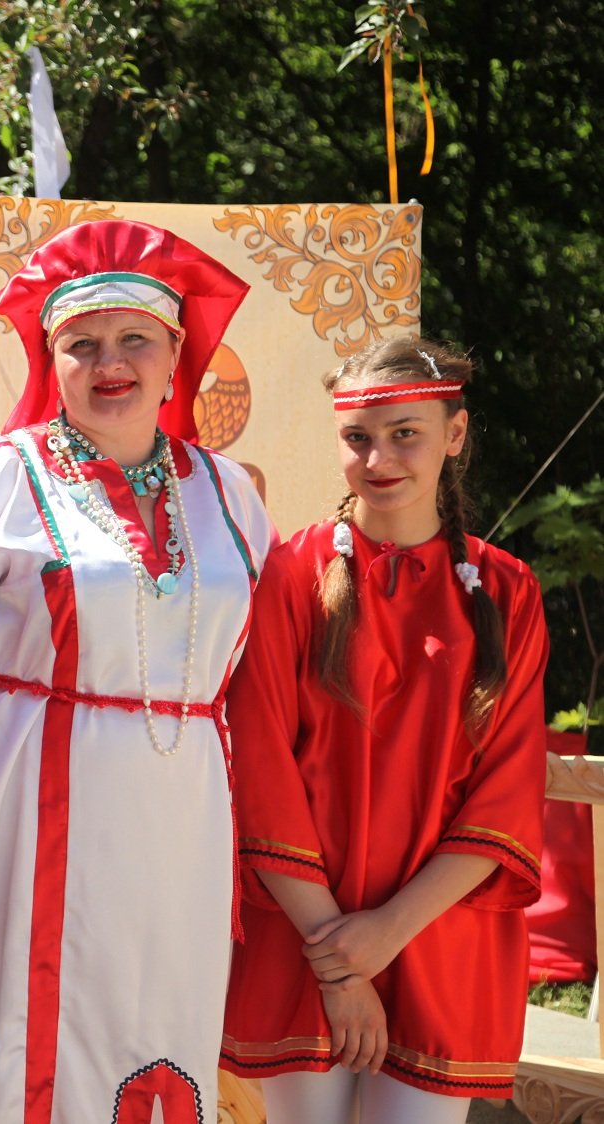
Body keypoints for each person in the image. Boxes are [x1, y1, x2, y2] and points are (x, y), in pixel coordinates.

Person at [0, 219, 276, 1123]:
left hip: (185, 818)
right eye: (80, 344)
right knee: (23, 1037)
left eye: (134, 339)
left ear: (175, 353)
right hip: (32, 802)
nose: (108, 361)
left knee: (163, 1024)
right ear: (50, 362)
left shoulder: (232, 494)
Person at [219, 338, 548, 1123]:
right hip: (304, 937)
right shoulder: (287, 576)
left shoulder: (505, 591)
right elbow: (259, 771)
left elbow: (503, 794)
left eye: (406, 433)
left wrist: (385, 935)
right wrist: (339, 963)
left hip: (439, 935)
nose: (379, 457)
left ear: (454, 434)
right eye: (358, 437)